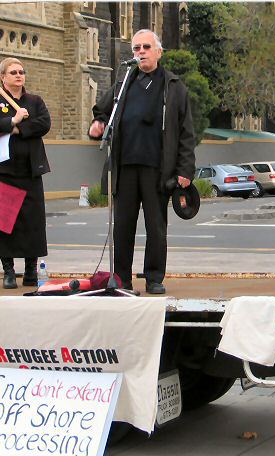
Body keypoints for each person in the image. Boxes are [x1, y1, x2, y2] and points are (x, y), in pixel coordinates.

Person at [89, 29, 196, 294]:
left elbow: (186, 131)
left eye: (146, 47)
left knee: (156, 227)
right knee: (123, 226)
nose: (140, 53)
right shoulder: (124, 82)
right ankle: (122, 277)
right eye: (136, 48)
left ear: (158, 51)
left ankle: (154, 277)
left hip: (157, 168)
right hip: (125, 166)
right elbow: (102, 111)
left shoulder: (173, 86)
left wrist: (185, 169)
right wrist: (98, 123)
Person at [0, 57, 51, 289]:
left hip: (29, 171)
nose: (19, 75)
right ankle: (8, 272)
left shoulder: (34, 101)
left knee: (32, 222)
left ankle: (31, 271)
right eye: (13, 72)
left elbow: (43, 124)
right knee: (3, 222)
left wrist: (18, 127)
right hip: (3, 171)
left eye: (21, 71)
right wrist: (11, 120)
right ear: (3, 77)